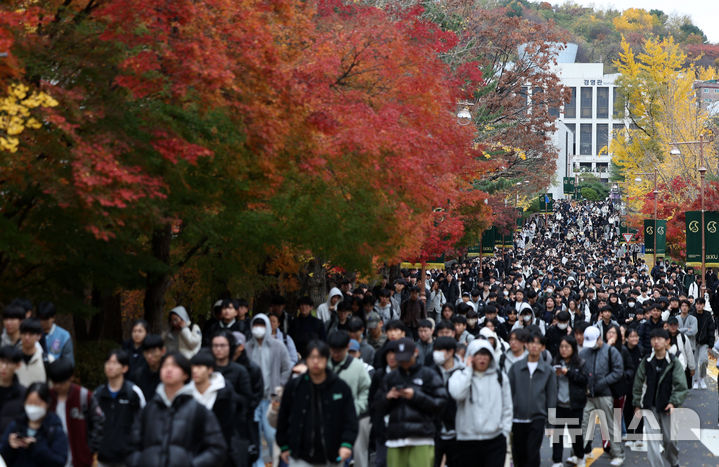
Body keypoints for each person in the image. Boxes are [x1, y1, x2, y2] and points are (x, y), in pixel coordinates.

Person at [127, 352, 227, 466]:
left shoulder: (198, 410)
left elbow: (217, 448)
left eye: (175, 366)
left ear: (185, 374)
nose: (169, 370)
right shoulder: (148, 410)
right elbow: (132, 446)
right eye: (164, 366)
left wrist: (193, 465)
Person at [276, 340, 358, 467]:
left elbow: (350, 419)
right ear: (306, 359)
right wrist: (284, 445)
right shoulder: (295, 387)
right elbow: (283, 418)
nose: (315, 361)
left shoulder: (340, 387)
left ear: (327, 359)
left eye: (319, 357)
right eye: (312, 357)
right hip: (300, 456)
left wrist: (346, 444)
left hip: (332, 455)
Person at [376, 337, 448, 467]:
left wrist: (415, 396)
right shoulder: (390, 378)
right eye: (401, 359)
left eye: (406, 358)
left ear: (415, 352)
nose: (404, 362)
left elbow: (441, 403)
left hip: (422, 437)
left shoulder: (428, 375)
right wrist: (388, 397)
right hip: (395, 438)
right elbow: (376, 407)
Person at [449, 339, 512, 467]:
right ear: (471, 356)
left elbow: (507, 406)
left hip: (494, 438)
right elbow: (457, 394)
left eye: (485, 355)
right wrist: (468, 370)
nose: (482, 359)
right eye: (478, 355)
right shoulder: (459, 375)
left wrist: (505, 431)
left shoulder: (500, 377)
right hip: (466, 439)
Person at [632, 328, 688, 467]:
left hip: (667, 407)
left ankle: (674, 463)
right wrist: (637, 404)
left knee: (669, 442)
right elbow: (638, 383)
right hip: (649, 407)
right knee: (652, 443)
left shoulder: (673, 362)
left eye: (659, 338)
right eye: (653, 339)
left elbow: (681, 385)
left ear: (667, 341)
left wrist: (674, 402)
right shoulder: (647, 361)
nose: (656, 341)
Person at [245, 314, 291, 467]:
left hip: (272, 399)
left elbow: (287, 369)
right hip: (253, 400)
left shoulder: (278, 346)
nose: (259, 329)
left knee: (272, 436)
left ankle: (276, 462)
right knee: (254, 436)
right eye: (256, 325)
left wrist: (280, 387)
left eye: (262, 325)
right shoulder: (247, 347)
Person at [190, 349, 248, 467]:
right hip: (192, 452)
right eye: (193, 366)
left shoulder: (224, 393)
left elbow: (230, 426)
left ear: (210, 369)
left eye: (200, 367)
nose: (195, 370)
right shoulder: (185, 393)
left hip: (221, 452)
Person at [507, 330, 557, 467]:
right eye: (531, 343)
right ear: (526, 345)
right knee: (518, 455)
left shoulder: (548, 371)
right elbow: (508, 394)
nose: (534, 346)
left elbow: (551, 398)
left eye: (538, 343)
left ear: (543, 347)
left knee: (532, 453)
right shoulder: (516, 368)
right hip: (516, 418)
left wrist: (551, 424)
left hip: (537, 418)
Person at [92, 349, 146, 467]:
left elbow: (143, 423)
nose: (110, 366)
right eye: (108, 362)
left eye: (115, 363)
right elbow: (92, 424)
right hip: (103, 456)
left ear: (124, 368)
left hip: (127, 458)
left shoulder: (133, 393)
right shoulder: (98, 393)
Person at [579, 326, 624, 466]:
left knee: (610, 425)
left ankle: (618, 454)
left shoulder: (611, 351)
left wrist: (603, 382)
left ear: (599, 338)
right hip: (588, 395)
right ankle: (580, 453)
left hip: (604, 394)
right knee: (584, 424)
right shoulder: (584, 352)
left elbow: (618, 371)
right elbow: (578, 369)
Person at [47, 359, 104, 467]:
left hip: (80, 458)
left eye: (61, 383)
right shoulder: (48, 398)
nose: (58, 386)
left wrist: (90, 450)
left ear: (71, 378)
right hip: (54, 456)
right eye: (55, 383)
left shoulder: (84, 396)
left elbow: (99, 422)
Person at [0, 382, 68, 466]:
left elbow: (60, 462)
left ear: (47, 404)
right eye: (30, 402)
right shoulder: (16, 425)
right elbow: (2, 457)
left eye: (37, 403)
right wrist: (9, 446)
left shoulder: (54, 429)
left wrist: (36, 447)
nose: (33, 407)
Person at [550, 335, 588, 467]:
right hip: (558, 404)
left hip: (575, 404)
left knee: (575, 433)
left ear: (573, 348)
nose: (564, 350)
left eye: (567, 347)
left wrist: (568, 373)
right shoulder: (555, 362)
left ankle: (580, 456)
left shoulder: (580, 363)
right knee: (557, 434)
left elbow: (584, 380)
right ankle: (557, 460)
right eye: (561, 347)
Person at [431, 337, 463, 467]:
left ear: (450, 352)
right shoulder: (430, 373)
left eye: (440, 350)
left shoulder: (463, 372)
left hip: (458, 431)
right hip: (435, 431)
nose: (436, 353)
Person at [130, 334, 165, 400]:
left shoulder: (169, 373)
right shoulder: (138, 374)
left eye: (153, 352)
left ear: (163, 351)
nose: (149, 356)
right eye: (146, 352)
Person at [0, 345, 26, 435]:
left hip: (11, 445)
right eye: (2, 361)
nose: (3, 367)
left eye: (8, 363)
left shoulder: (23, 393)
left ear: (18, 365)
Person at [691, 297, 714, 389]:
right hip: (694, 342)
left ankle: (702, 377)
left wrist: (711, 343)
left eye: (701, 304)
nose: (699, 306)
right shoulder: (691, 315)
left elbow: (711, 330)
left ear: (704, 305)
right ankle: (696, 380)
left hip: (704, 342)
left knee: (704, 360)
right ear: (695, 305)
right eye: (697, 304)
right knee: (694, 362)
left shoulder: (708, 315)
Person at [16, 319, 47, 387]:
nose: (27, 337)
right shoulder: (12, 359)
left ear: (39, 336)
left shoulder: (47, 361)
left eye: (31, 334)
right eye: (24, 333)